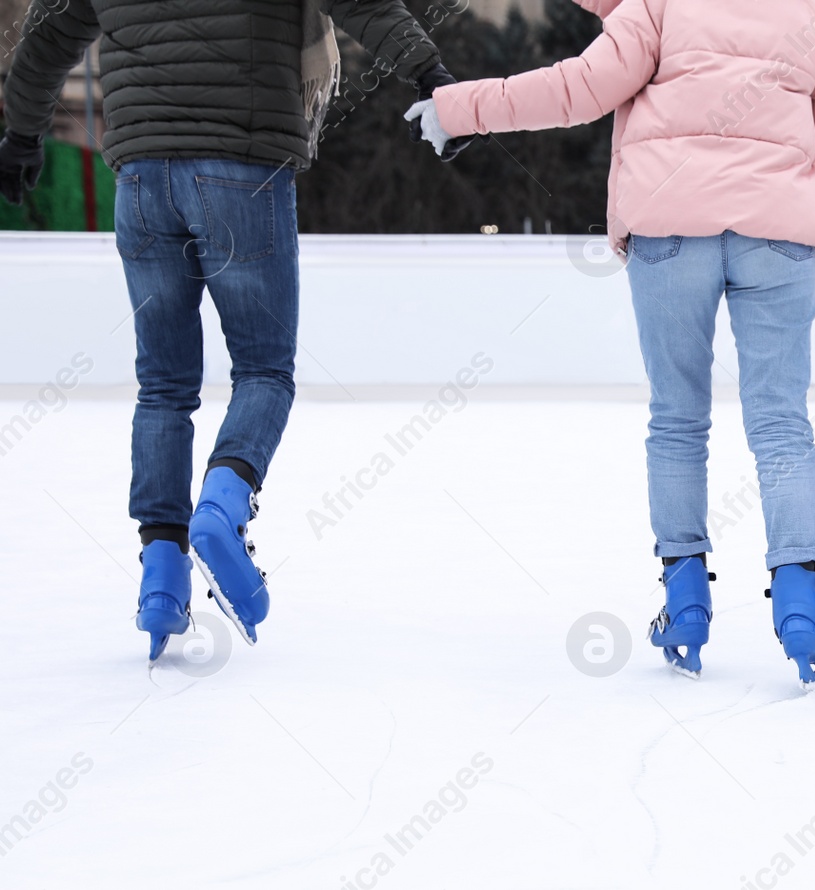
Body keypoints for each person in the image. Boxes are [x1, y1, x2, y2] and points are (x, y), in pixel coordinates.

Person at [408, 0, 815, 686]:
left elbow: (575, 89)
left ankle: (685, 600)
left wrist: (459, 108)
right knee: (782, 424)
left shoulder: (658, 5)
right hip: (779, 233)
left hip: (671, 226)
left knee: (677, 420)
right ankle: (800, 603)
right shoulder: (810, 11)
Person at [0, 0, 473, 660]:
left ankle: (162, 579)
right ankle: (222, 508)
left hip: (140, 174)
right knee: (263, 369)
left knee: (162, 386)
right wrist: (430, 72)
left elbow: (48, 39)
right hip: (242, 164)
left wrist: (23, 136)